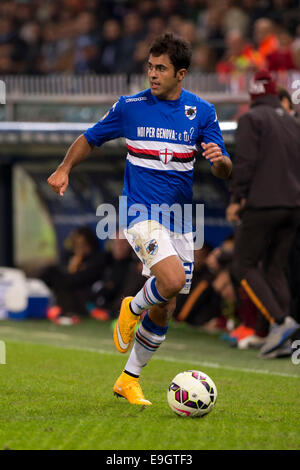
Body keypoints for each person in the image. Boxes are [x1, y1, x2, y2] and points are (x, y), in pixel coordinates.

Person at [48, 33, 232, 406]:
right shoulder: (129, 106)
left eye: (161, 68)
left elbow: (224, 169)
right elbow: (90, 138)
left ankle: (128, 379)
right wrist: (64, 167)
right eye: (150, 66)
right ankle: (131, 307)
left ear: (181, 73)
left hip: (180, 218)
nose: (152, 74)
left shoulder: (202, 112)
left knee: (166, 305)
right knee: (173, 280)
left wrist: (221, 160)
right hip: (139, 213)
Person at [226, 69, 300, 358]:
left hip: (263, 204)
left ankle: (281, 324)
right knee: (274, 269)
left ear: (252, 94)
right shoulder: (293, 122)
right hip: (294, 207)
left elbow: (245, 162)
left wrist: (237, 198)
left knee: (243, 265)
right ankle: (289, 339)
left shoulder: (251, 118)